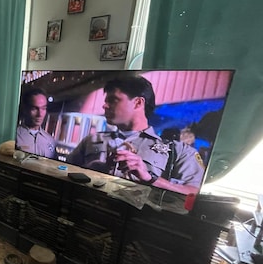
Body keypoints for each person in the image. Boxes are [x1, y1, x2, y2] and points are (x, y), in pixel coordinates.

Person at [66, 76, 205, 195]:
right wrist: (95, 168)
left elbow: (192, 193)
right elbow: (63, 171)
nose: (104, 106)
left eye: (113, 100)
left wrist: (149, 178)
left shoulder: (178, 151)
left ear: (138, 102)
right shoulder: (92, 140)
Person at [16, 88, 56, 158]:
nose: (40, 114)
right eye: (34, 109)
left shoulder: (50, 140)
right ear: (25, 109)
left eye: (43, 108)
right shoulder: (15, 136)